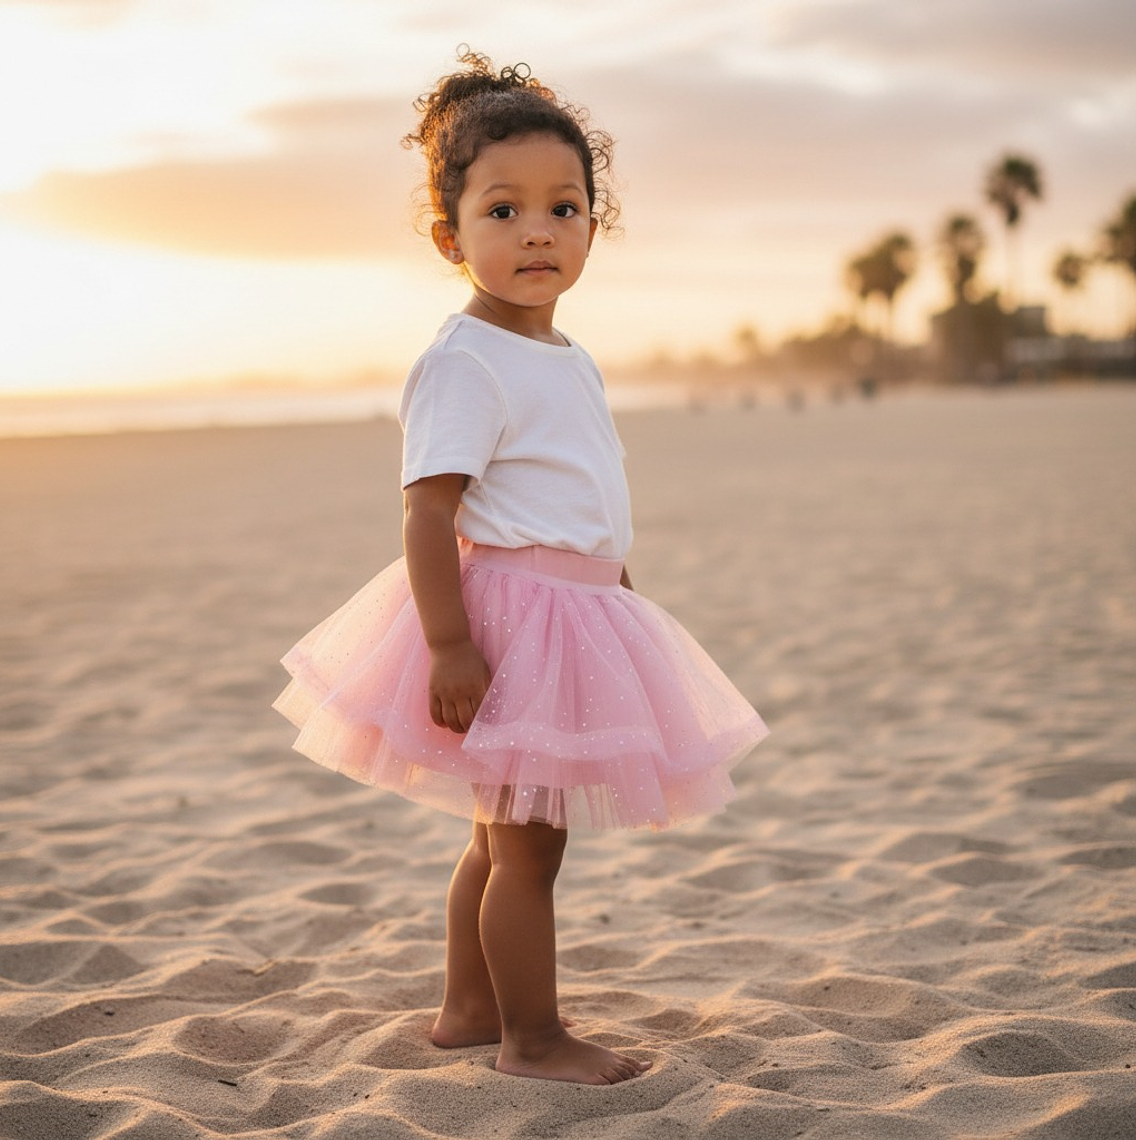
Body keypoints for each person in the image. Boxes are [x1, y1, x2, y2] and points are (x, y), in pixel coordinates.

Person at [274, 48, 769, 1085]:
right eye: (503, 212)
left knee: (501, 839)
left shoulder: (567, 354)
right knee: (529, 845)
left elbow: (575, 486)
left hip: (577, 608)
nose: (537, 230)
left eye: (563, 207)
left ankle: (465, 1006)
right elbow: (428, 514)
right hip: (508, 619)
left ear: (595, 223)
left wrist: (616, 582)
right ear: (452, 237)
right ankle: (532, 1040)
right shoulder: (465, 359)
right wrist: (450, 644)